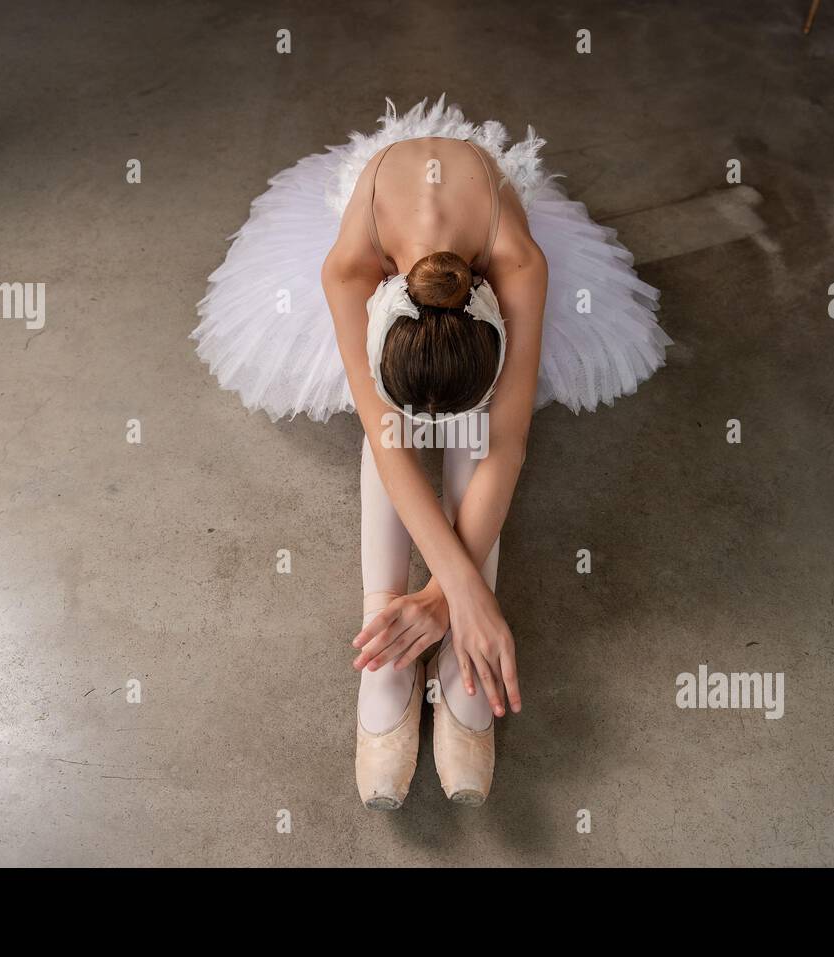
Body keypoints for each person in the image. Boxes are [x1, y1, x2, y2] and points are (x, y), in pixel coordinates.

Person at [192, 97, 670, 809]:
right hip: (385, 240)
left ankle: (444, 644)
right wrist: (462, 592)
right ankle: (384, 620)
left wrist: (449, 597)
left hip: (479, 233)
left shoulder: (520, 263)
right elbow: (390, 446)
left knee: (473, 429)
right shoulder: (349, 271)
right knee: (394, 429)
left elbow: (506, 443)